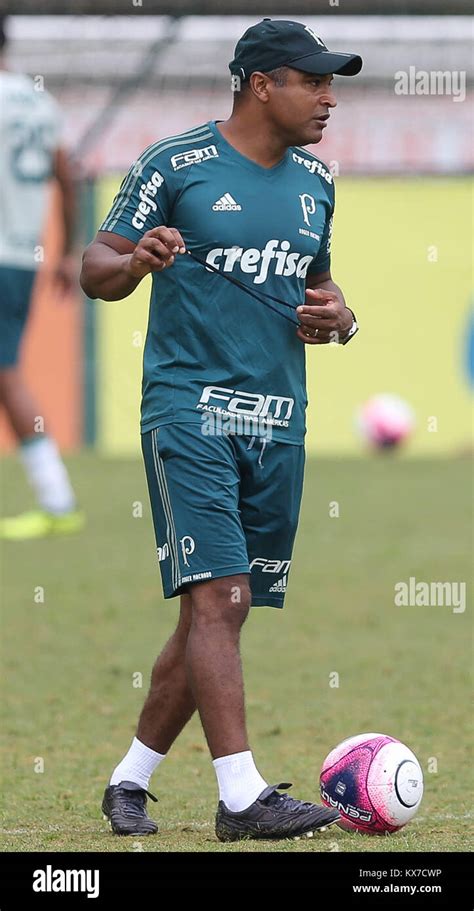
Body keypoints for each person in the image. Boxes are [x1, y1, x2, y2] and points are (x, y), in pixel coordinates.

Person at [81, 18, 361, 842]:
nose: (329, 98)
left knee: (216, 615)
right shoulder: (175, 165)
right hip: (189, 414)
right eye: (313, 81)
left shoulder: (317, 181)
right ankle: (242, 797)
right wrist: (135, 263)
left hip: (278, 425)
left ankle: (128, 781)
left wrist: (341, 317)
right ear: (260, 84)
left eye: (331, 83)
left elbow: (319, 291)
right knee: (218, 596)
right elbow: (93, 266)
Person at [0, 16, 84, 540]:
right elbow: (66, 175)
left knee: (6, 372)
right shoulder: (38, 102)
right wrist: (69, 249)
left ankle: (57, 499)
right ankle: (56, 496)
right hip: (21, 257)